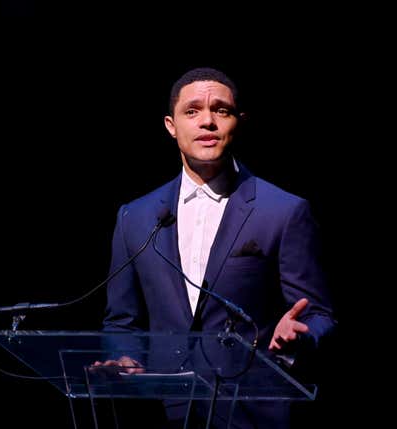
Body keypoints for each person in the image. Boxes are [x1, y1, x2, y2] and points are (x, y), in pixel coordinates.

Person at [96, 67, 337, 428]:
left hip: (251, 413)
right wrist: (124, 358)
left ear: (239, 121)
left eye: (221, 110)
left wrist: (300, 339)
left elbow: (319, 314)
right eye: (192, 111)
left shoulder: (284, 211)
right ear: (170, 125)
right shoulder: (136, 216)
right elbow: (121, 321)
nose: (207, 121)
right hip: (161, 413)